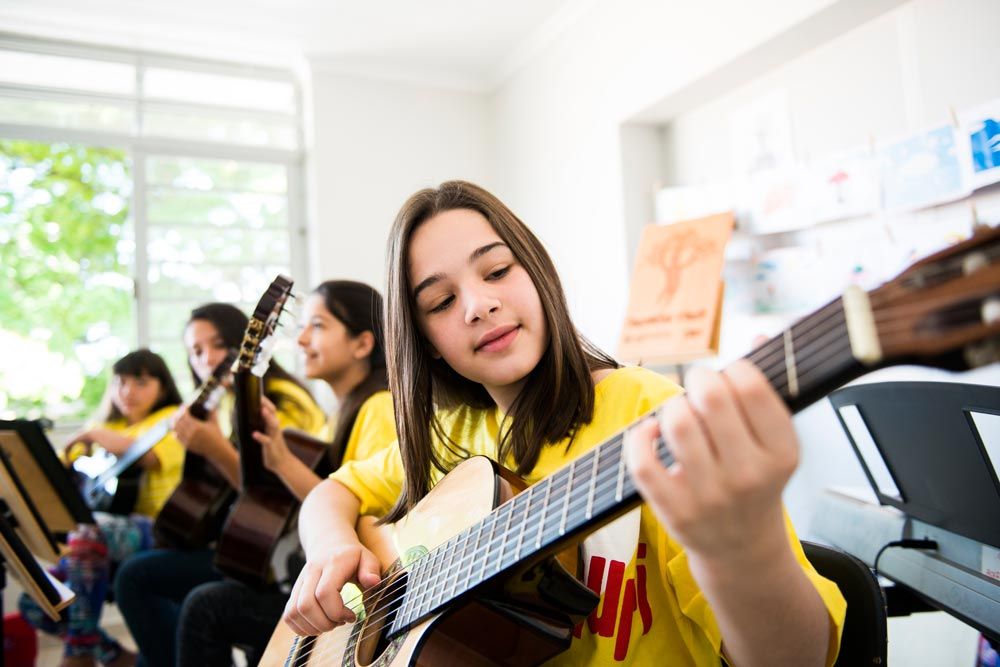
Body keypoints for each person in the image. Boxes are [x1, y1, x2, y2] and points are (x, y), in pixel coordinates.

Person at [283, 181, 847, 666]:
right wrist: (331, 546)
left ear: (537, 272)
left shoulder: (646, 411)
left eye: (498, 270)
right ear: (425, 343)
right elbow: (333, 492)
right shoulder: (449, 434)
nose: (477, 305)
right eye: (441, 302)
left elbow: (801, 657)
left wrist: (741, 547)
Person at [175, 281, 397, 666]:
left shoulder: (378, 407)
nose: (301, 341)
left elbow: (370, 519)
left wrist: (277, 461)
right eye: (301, 328)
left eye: (319, 326)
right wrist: (278, 457)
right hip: (320, 578)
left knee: (205, 606)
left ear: (362, 344)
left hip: (361, 595)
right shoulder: (340, 414)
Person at [114, 303, 326, 667]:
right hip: (247, 543)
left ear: (245, 345)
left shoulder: (280, 401)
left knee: (137, 575)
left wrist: (213, 449)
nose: (208, 358)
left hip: (278, 558)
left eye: (218, 344)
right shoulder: (229, 402)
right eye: (196, 351)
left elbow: (275, 502)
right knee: (142, 571)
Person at [19, 349, 185, 667]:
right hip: (103, 533)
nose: (127, 391)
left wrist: (95, 434)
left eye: (140, 382)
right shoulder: (107, 425)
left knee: (88, 529)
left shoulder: (170, 420)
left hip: (158, 529)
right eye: (120, 382)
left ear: (163, 387)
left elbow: (149, 457)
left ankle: (79, 653)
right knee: (34, 600)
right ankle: (112, 655)